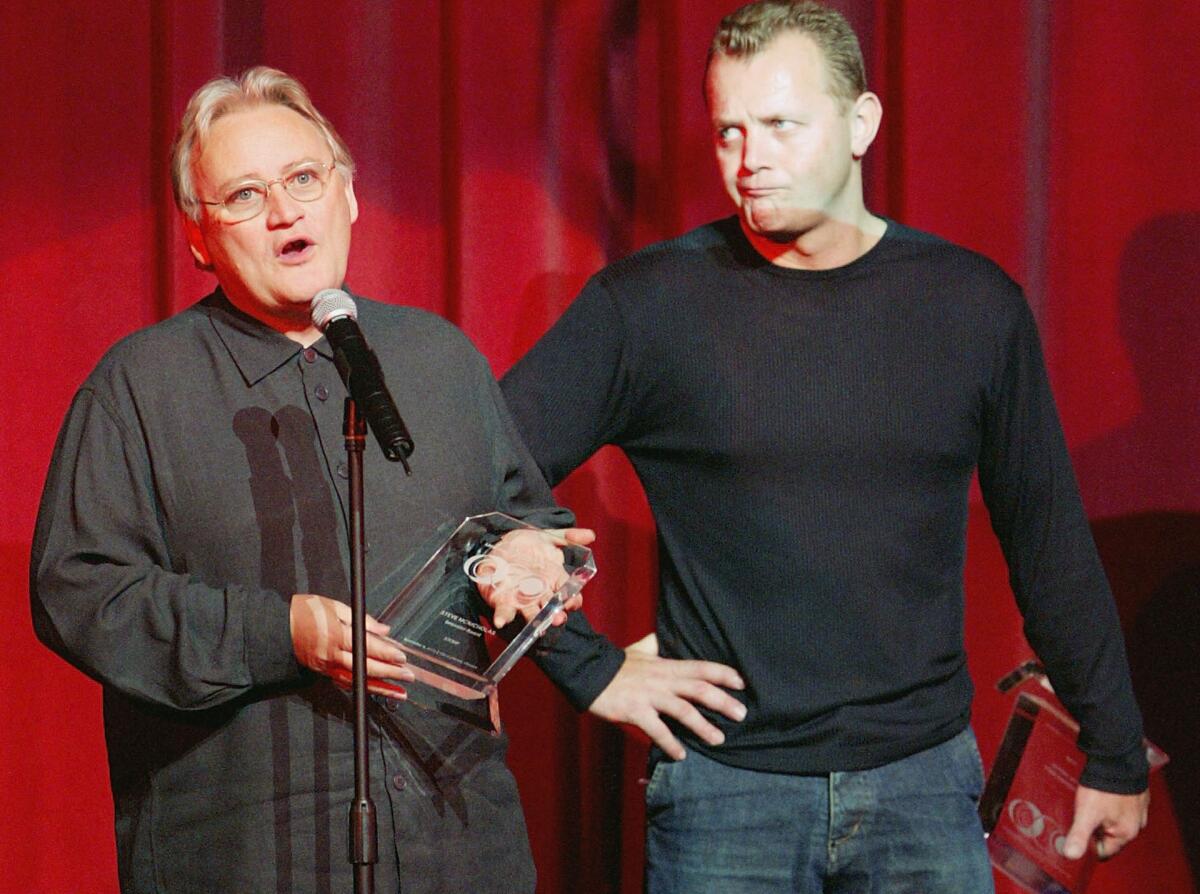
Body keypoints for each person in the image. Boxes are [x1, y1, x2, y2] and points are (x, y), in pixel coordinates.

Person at [500, 1, 1151, 890]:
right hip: (724, 795)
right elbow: (478, 474)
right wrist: (589, 669)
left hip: (923, 785)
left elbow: (1047, 541)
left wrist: (1112, 748)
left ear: (861, 123)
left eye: (778, 125)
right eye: (728, 130)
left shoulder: (970, 307)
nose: (748, 159)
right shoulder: (649, 308)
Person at [30, 66, 591, 894]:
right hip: (246, 853)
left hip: (458, 844)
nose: (286, 211)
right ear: (198, 238)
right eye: (246, 195)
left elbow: (526, 517)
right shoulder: (140, 387)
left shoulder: (438, 360)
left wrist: (533, 561)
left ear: (349, 196)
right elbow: (80, 593)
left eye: (303, 179)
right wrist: (279, 632)